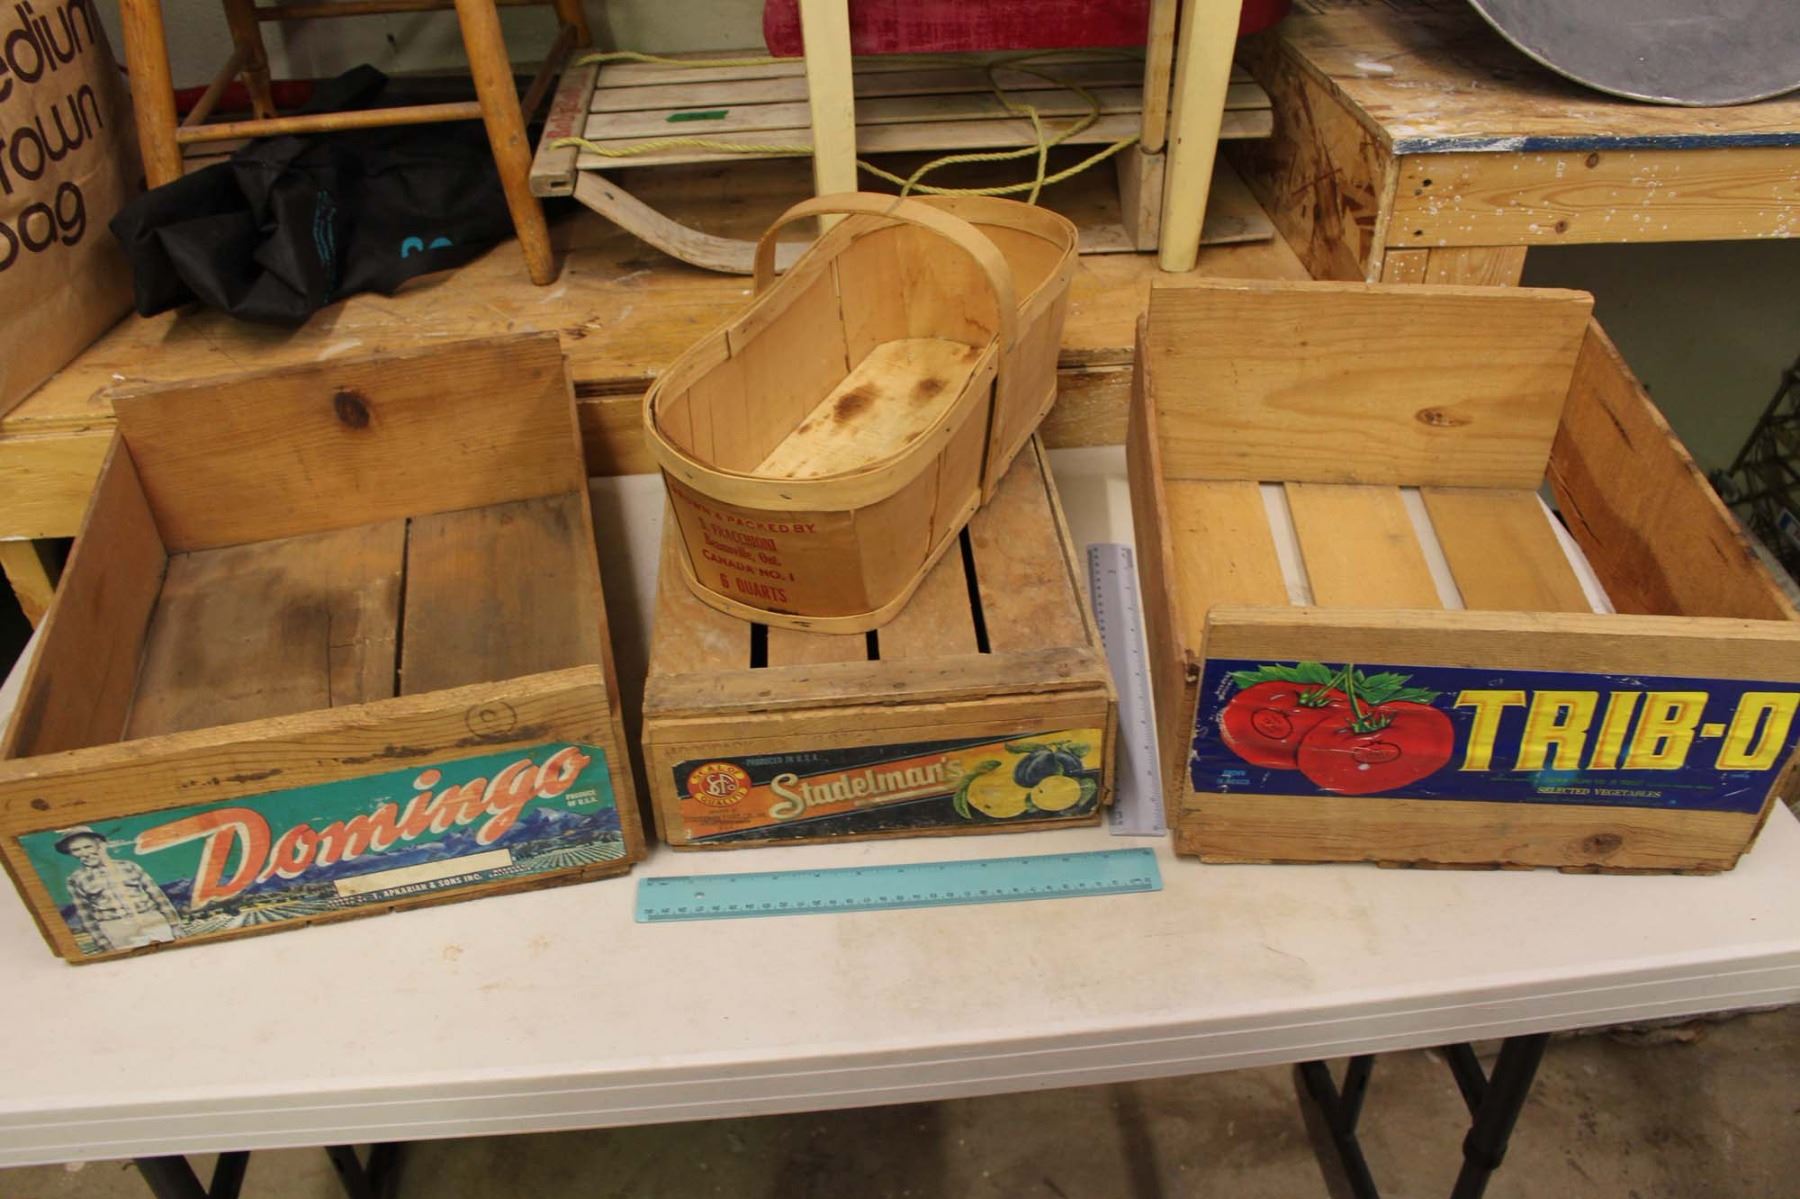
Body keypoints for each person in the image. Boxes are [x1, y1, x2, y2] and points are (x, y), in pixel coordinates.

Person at [54, 827, 181, 951]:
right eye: (76, 850)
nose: (84, 853)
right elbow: (85, 915)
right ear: (70, 853)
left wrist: (175, 925)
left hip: (153, 920)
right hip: (115, 928)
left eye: (88, 847)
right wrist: (103, 944)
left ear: (99, 845)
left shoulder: (129, 866)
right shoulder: (75, 879)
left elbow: (158, 896)